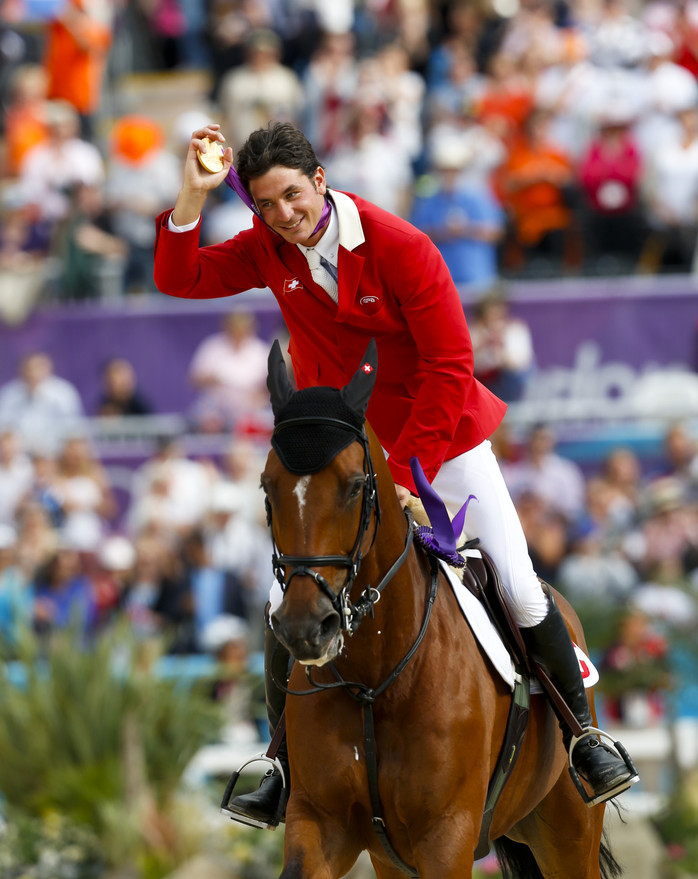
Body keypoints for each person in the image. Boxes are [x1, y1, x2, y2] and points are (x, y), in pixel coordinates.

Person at [153, 120, 637, 827]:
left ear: (319, 181)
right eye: (266, 206)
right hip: (352, 447)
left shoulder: (401, 246)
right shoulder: (267, 247)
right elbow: (179, 276)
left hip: (443, 437)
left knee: (517, 582)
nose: (283, 216)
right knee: (288, 596)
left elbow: (450, 368)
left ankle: (583, 737)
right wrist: (191, 197)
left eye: (291, 196)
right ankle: (280, 762)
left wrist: (412, 470)